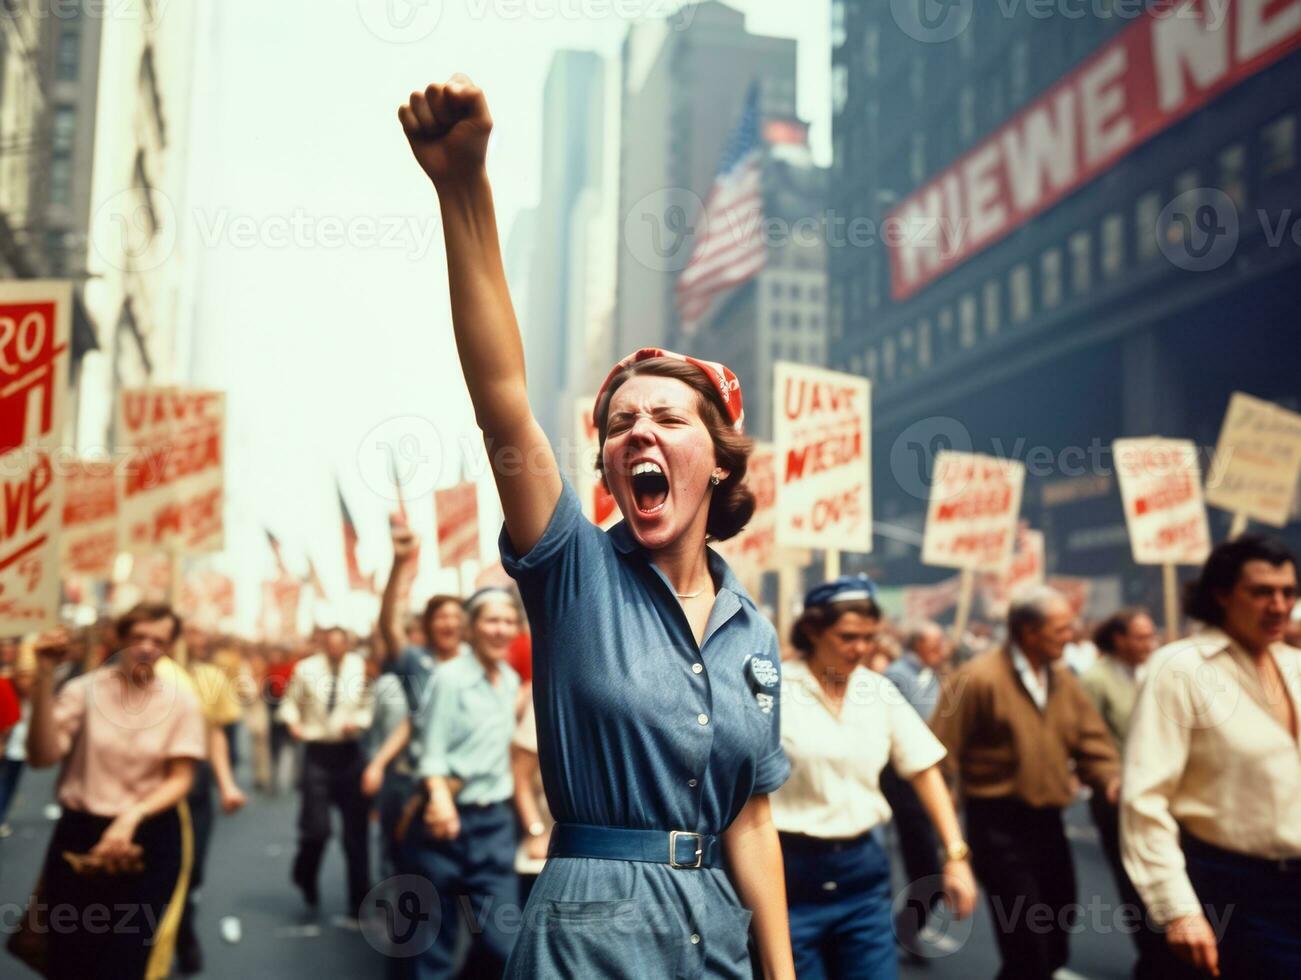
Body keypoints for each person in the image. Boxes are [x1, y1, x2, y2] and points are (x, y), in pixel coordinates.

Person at [398, 73, 794, 978]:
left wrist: (781, 972)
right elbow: (501, 401)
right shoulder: (574, 568)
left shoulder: (756, 633)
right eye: (620, 423)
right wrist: (463, 189)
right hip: (587, 941)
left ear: (720, 460)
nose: (638, 431)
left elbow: (754, 821)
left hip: (717, 946)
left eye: (667, 418)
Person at [772, 580, 974, 979]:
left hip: (862, 873)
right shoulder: (773, 688)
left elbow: (923, 768)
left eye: (869, 638)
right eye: (847, 637)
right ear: (812, 630)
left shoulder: (878, 691)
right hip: (788, 873)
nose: (861, 649)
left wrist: (955, 854)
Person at [1122, 535, 1301, 979]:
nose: (1278, 606)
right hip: (1230, 888)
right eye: (1261, 592)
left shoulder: (1295, 664)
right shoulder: (1179, 669)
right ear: (1222, 594)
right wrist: (1179, 909)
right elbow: (1144, 802)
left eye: (1288, 592)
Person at [931, 586, 1120, 980]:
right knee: (1027, 946)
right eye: (1060, 629)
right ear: (1027, 631)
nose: (1070, 636)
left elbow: (1091, 742)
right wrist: (950, 848)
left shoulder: (1063, 679)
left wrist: (1110, 780)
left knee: (1057, 933)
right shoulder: (976, 679)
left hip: (1049, 825)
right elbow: (938, 759)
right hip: (997, 827)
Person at [24, 603, 206, 980]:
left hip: (148, 836)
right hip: (82, 838)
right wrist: (44, 677)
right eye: (138, 636)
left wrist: (132, 815)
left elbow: (181, 777)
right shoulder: (82, 690)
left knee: (125, 958)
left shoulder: (182, 700)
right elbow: (41, 757)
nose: (146, 646)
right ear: (120, 638)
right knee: (69, 956)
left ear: (170, 647)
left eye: (158, 640)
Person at [403, 587, 522, 978]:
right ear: (471, 628)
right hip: (446, 823)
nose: (501, 629)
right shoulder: (448, 679)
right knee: (435, 944)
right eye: (492, 620)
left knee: (504, 942)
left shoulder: (507, 679)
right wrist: (440, 801)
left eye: (508, 620)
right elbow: (430, 752)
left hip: (494, 828)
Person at [279, 626, 374, 917]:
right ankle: (305, 876)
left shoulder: (360, 668)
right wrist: (293, 723)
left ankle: (359, 899)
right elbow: (289, 705)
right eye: (329, 644)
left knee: (356, 833)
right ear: (323, 645)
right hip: (317, 754)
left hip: (349, 754)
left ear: (346, 646)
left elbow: (368, 706)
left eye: (340, 644)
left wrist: (358, 722)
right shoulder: (306, 669)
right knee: (317, 829)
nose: (335, 649)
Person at [173, 633, 249, 975]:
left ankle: (182, 932)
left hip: (194, 784)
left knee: (191, 869)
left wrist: (226, 783)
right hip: (145, 785)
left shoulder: (208, 677)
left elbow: (215, 732)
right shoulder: (142, 677)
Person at [882, 621, 957, 955]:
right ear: (918, 645)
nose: (942, 650)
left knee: (928, 866)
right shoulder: (898, 675)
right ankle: (900, 932)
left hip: (934, 777)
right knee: (924, 865)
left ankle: (904, 930)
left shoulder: (939, 675)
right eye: (935, 643)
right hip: (905, 782)